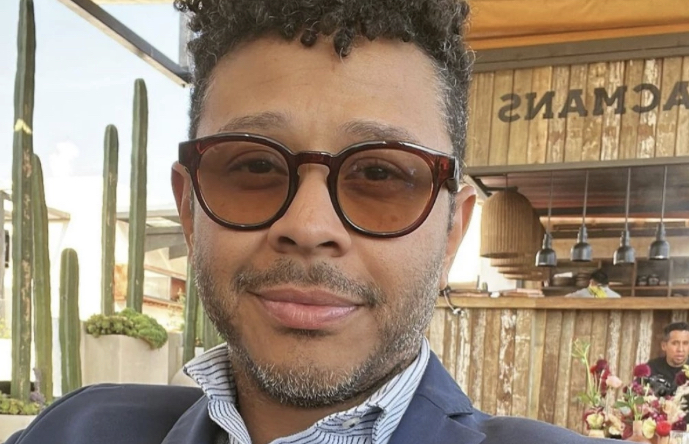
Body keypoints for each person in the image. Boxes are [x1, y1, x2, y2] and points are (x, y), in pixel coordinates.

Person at [8, 1, 609, 443]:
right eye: (254, 165)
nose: (309, 224)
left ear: (453, 230)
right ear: (190, 209)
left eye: (380, 174)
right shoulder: (74, 431)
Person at [645, 322, 689, 396]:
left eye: (685, 343)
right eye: (675, 343)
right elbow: (634, 394)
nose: (680, 349)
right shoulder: (652, 367)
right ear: (664, 346)